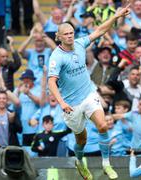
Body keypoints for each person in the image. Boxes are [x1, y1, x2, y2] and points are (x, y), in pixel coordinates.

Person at [47, 4, 131, 179]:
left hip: (88, 94)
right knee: (81, 140)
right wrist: (62, 103)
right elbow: (51, 82)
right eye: (66, 34)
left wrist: (116, 16)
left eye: (72, 33)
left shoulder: (79, 43)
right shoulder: (56, 57)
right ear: (59, 37)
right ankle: (79, 161)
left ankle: (106, 164)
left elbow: (100, 30)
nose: (70, 36)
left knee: (102, 125)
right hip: (71, 104)